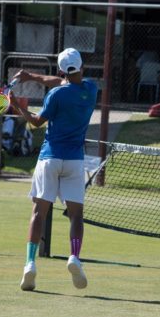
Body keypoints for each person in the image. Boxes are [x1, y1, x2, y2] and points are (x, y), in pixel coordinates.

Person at [10, 48, 97, 291]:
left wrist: (17, 106)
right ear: (82, 67)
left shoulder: (56, 95)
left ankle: (30, 264)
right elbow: (63, 81)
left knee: (39, 212)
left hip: (50, 158)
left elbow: (36, 122)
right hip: (74, 162)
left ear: (60, 70)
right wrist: (33, 76)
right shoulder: (91, 89)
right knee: (76, 215)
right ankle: (75, 257)